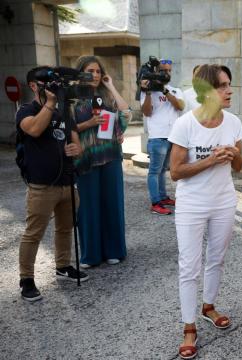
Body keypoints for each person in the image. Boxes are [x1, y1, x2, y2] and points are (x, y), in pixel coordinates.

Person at [168, 64, 242, 359]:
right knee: (190, 265)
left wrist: (234, 155)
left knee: (217, 258)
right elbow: (175, 172)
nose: (229, 90)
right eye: (222, 86)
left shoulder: (234, 122)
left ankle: (208, 306)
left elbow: (239, 167)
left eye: (229, 84)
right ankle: (189, 326)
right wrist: (211, 161)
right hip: (192, 205)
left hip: (224, 201)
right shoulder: (185, 124)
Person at [16, 66, 88, 302]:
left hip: (67, 182)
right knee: (33, 233)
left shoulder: (64, 111)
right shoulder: (26, 110)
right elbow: (35, 130)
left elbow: (77, 142)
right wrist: (50, 102)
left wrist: (77, 148)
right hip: (41, 186)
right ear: (34, 86)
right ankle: (26, 279)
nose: (52, 87)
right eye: (45, 83)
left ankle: (63, 265)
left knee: (65, 228)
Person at [72, 55, 130, 268]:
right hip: (85, 159)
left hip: (111, 156)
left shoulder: (106, 96)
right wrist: (89, 123)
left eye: (98, 71)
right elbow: (66, 128)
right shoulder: (72, 99)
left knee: (112, 204)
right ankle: (91, 254)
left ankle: (115, 250)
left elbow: (126, 113)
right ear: (81, 73)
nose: (95, 75)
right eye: (90, 71)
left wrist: (111, 86)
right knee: (88, 207)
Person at [141, 58, 185, 215]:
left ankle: (163, 197)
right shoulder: (149, 91)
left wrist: (164, 90)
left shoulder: (175, 90)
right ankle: (155, 202)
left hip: (173, 138)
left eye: (169, 71)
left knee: (162, 171)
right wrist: (147, 93)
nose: (166, 73)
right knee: (154, 171)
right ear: (156, 72)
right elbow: (146, 112)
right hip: (157, 138)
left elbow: (180, 106)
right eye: (163, 70)